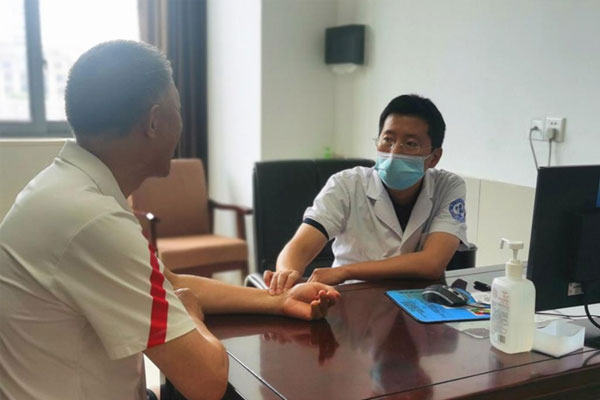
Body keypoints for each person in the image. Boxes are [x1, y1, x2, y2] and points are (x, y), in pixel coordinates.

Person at [0, 40, 340, 400]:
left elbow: (169, 282)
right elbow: (206, 382)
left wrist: (278, 300)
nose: (181, 123)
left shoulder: (65, 188)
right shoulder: (93, 221)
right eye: (178, 109)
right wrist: (189, 311)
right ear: (154, 121)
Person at [264, 94, 468, 293]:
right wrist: (287, 272)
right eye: (388, 140)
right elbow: (301, 245)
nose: (394, 152)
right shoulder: (346, 184)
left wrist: (345, 271)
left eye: (411, 144)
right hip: (351, 296)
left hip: (416, 300)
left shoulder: (448, 186)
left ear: (434, 157)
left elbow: (432, 263)